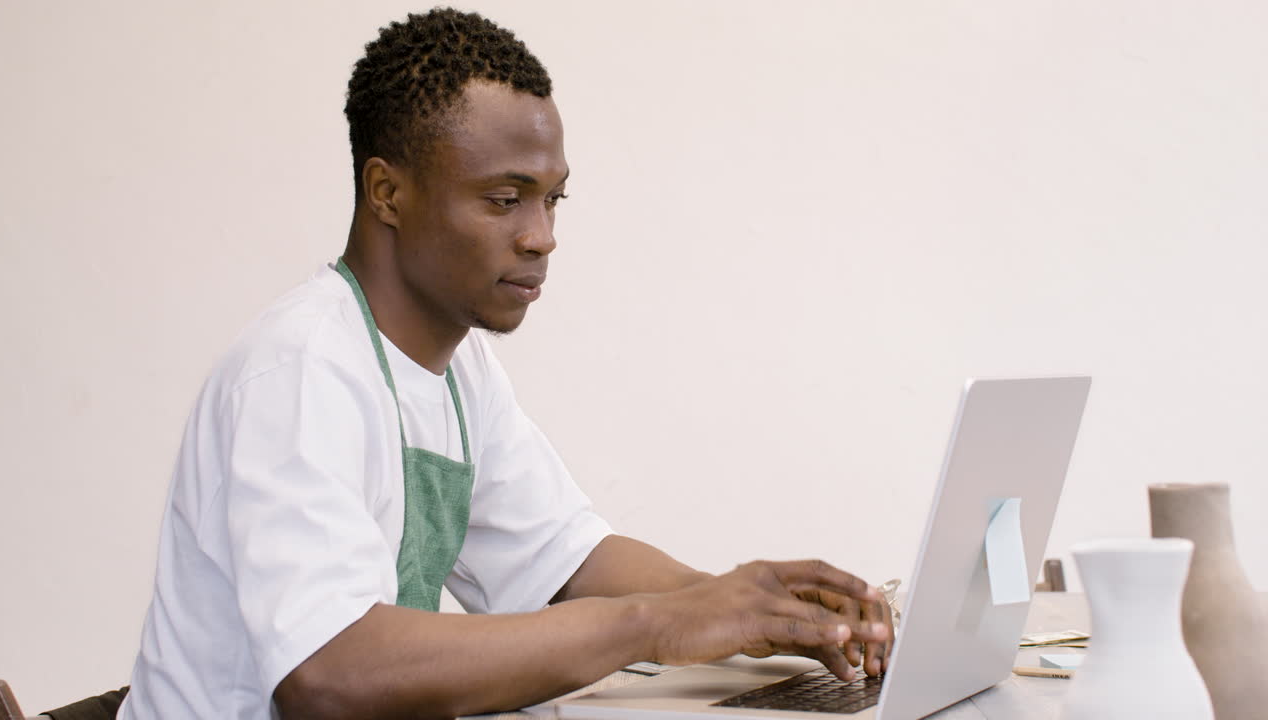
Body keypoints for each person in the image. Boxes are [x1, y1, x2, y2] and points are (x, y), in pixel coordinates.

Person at [117, 8, 892, 719]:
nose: (541, 236)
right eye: (504, 199)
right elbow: (331, 674)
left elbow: (566, 557)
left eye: (552, 199)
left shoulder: (460, 370)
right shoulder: (298, 373)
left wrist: (747, 604)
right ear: (387, 191)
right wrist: (659, 623)